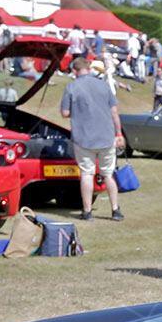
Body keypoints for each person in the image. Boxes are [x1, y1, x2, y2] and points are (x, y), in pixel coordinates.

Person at [59, 55, 124, 221]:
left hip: (83, 138)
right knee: (108, 174)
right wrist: (119, 133)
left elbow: (65, 113)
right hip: (106, 136)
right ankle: (115, 209)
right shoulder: (103, 85)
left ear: (74, 71)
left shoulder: (71, 87)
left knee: (87, 174)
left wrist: (79, 111)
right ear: (89, 68)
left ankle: (87, 211)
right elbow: (114, 112)